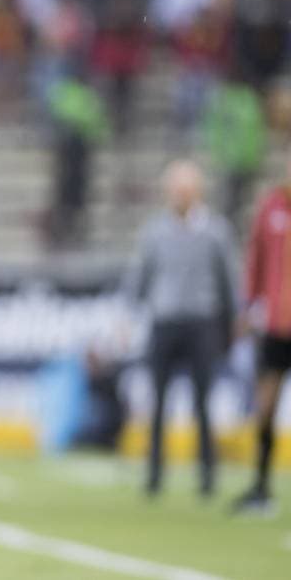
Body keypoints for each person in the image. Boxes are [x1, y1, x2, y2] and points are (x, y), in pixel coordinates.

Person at [123, 160, 238, 499]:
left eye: (185, 189)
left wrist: (232, 320)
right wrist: (129, 313)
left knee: (203, 401)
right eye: (175, 189)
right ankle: (154, 473)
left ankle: (207, 473)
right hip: (165, 320)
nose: (179, 195)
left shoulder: (216, 231)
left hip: (202, 322)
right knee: (158, 401)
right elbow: (141, 276)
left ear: (197, 192)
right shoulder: (155, 231)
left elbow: (228, 281)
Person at [233, 154, 291, 515]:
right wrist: (248, 306)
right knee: (266, 405)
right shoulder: (271, 207)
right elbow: (256, 260)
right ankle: (260, 485)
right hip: (276, 326)